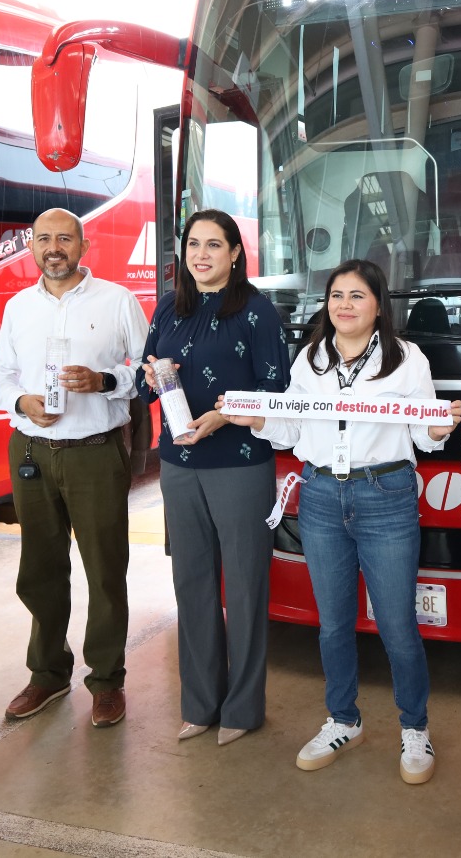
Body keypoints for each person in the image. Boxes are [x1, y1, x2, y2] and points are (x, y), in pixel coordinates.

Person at [220, 259, 461, 783]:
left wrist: (439, 428)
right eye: (336, 296)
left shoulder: (407, 359)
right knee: (332, 623)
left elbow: (421, 436)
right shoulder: (310, 359)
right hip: (322, 495)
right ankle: (343, 719)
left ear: (378, 305)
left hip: (386, 495)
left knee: (397, 625)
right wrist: (255, 416)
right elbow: (290, 428)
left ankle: (414, 728)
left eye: (357, 296)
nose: (345, 305)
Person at [0, 209, 147, 728]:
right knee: (40, 569)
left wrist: (105, 381)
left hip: (94, 452)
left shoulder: (117, 300)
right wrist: (22, 402)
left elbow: (149, 370)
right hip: (31, 451)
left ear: (83, 245)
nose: (53, 247)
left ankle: (106, 680)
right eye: (43, 239)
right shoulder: (18, 306)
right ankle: (48, 672)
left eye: (64, 238)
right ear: (31, 246)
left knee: (104, 570)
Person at [139, 208, 289, 745]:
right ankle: (199, 704)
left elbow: (277, 388)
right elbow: (144, 375)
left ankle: (242, 709)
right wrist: (154, 375)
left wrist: (225, 415)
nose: (201, 255)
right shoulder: (168, 306)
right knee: (192, 583)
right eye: (193, 245)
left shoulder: (257, 311)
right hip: (178, 464)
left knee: (244, 586)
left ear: (235, 253)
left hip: (239, 463)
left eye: (213, 245)